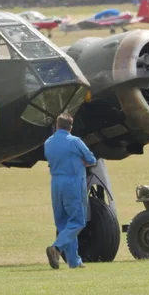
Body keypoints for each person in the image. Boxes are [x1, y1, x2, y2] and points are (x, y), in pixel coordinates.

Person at [44, 112, 96, 269]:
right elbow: (91, 159)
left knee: (63, 223)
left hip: (56, 184)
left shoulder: (48, 142)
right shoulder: (75, 141)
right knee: (78, 221)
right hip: (73, 183)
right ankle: (56, 248)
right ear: (71, 127)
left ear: (57, 126)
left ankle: (74, 261)